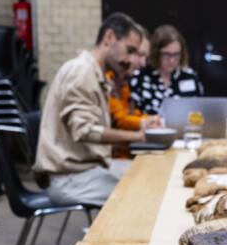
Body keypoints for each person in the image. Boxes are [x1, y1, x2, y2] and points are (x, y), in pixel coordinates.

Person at [34, 13, 149, 206]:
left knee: (146, 173)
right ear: (109, 38)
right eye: (129, 51)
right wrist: (138, 136)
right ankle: (115, 236)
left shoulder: (94, 73)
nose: (131, 60)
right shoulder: (81, 71)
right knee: (145, 188)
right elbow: (84, 130)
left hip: (82, 171)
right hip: (70, 179)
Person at [128, 25, 205, 114]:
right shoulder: (141, 76)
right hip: (149, 127)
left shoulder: (189, 76)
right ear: (156, 53)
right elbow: (130, 113)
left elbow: (201, 111)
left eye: (176, 55)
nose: (171, 60)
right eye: (166, 55)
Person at [107, 32, 159, 158]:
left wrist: (149, 119)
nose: (143, 63)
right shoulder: (107, 79)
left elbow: (129, 113)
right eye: (140, 55)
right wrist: (145, 122)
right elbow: (120, 119)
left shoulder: (123, 83)